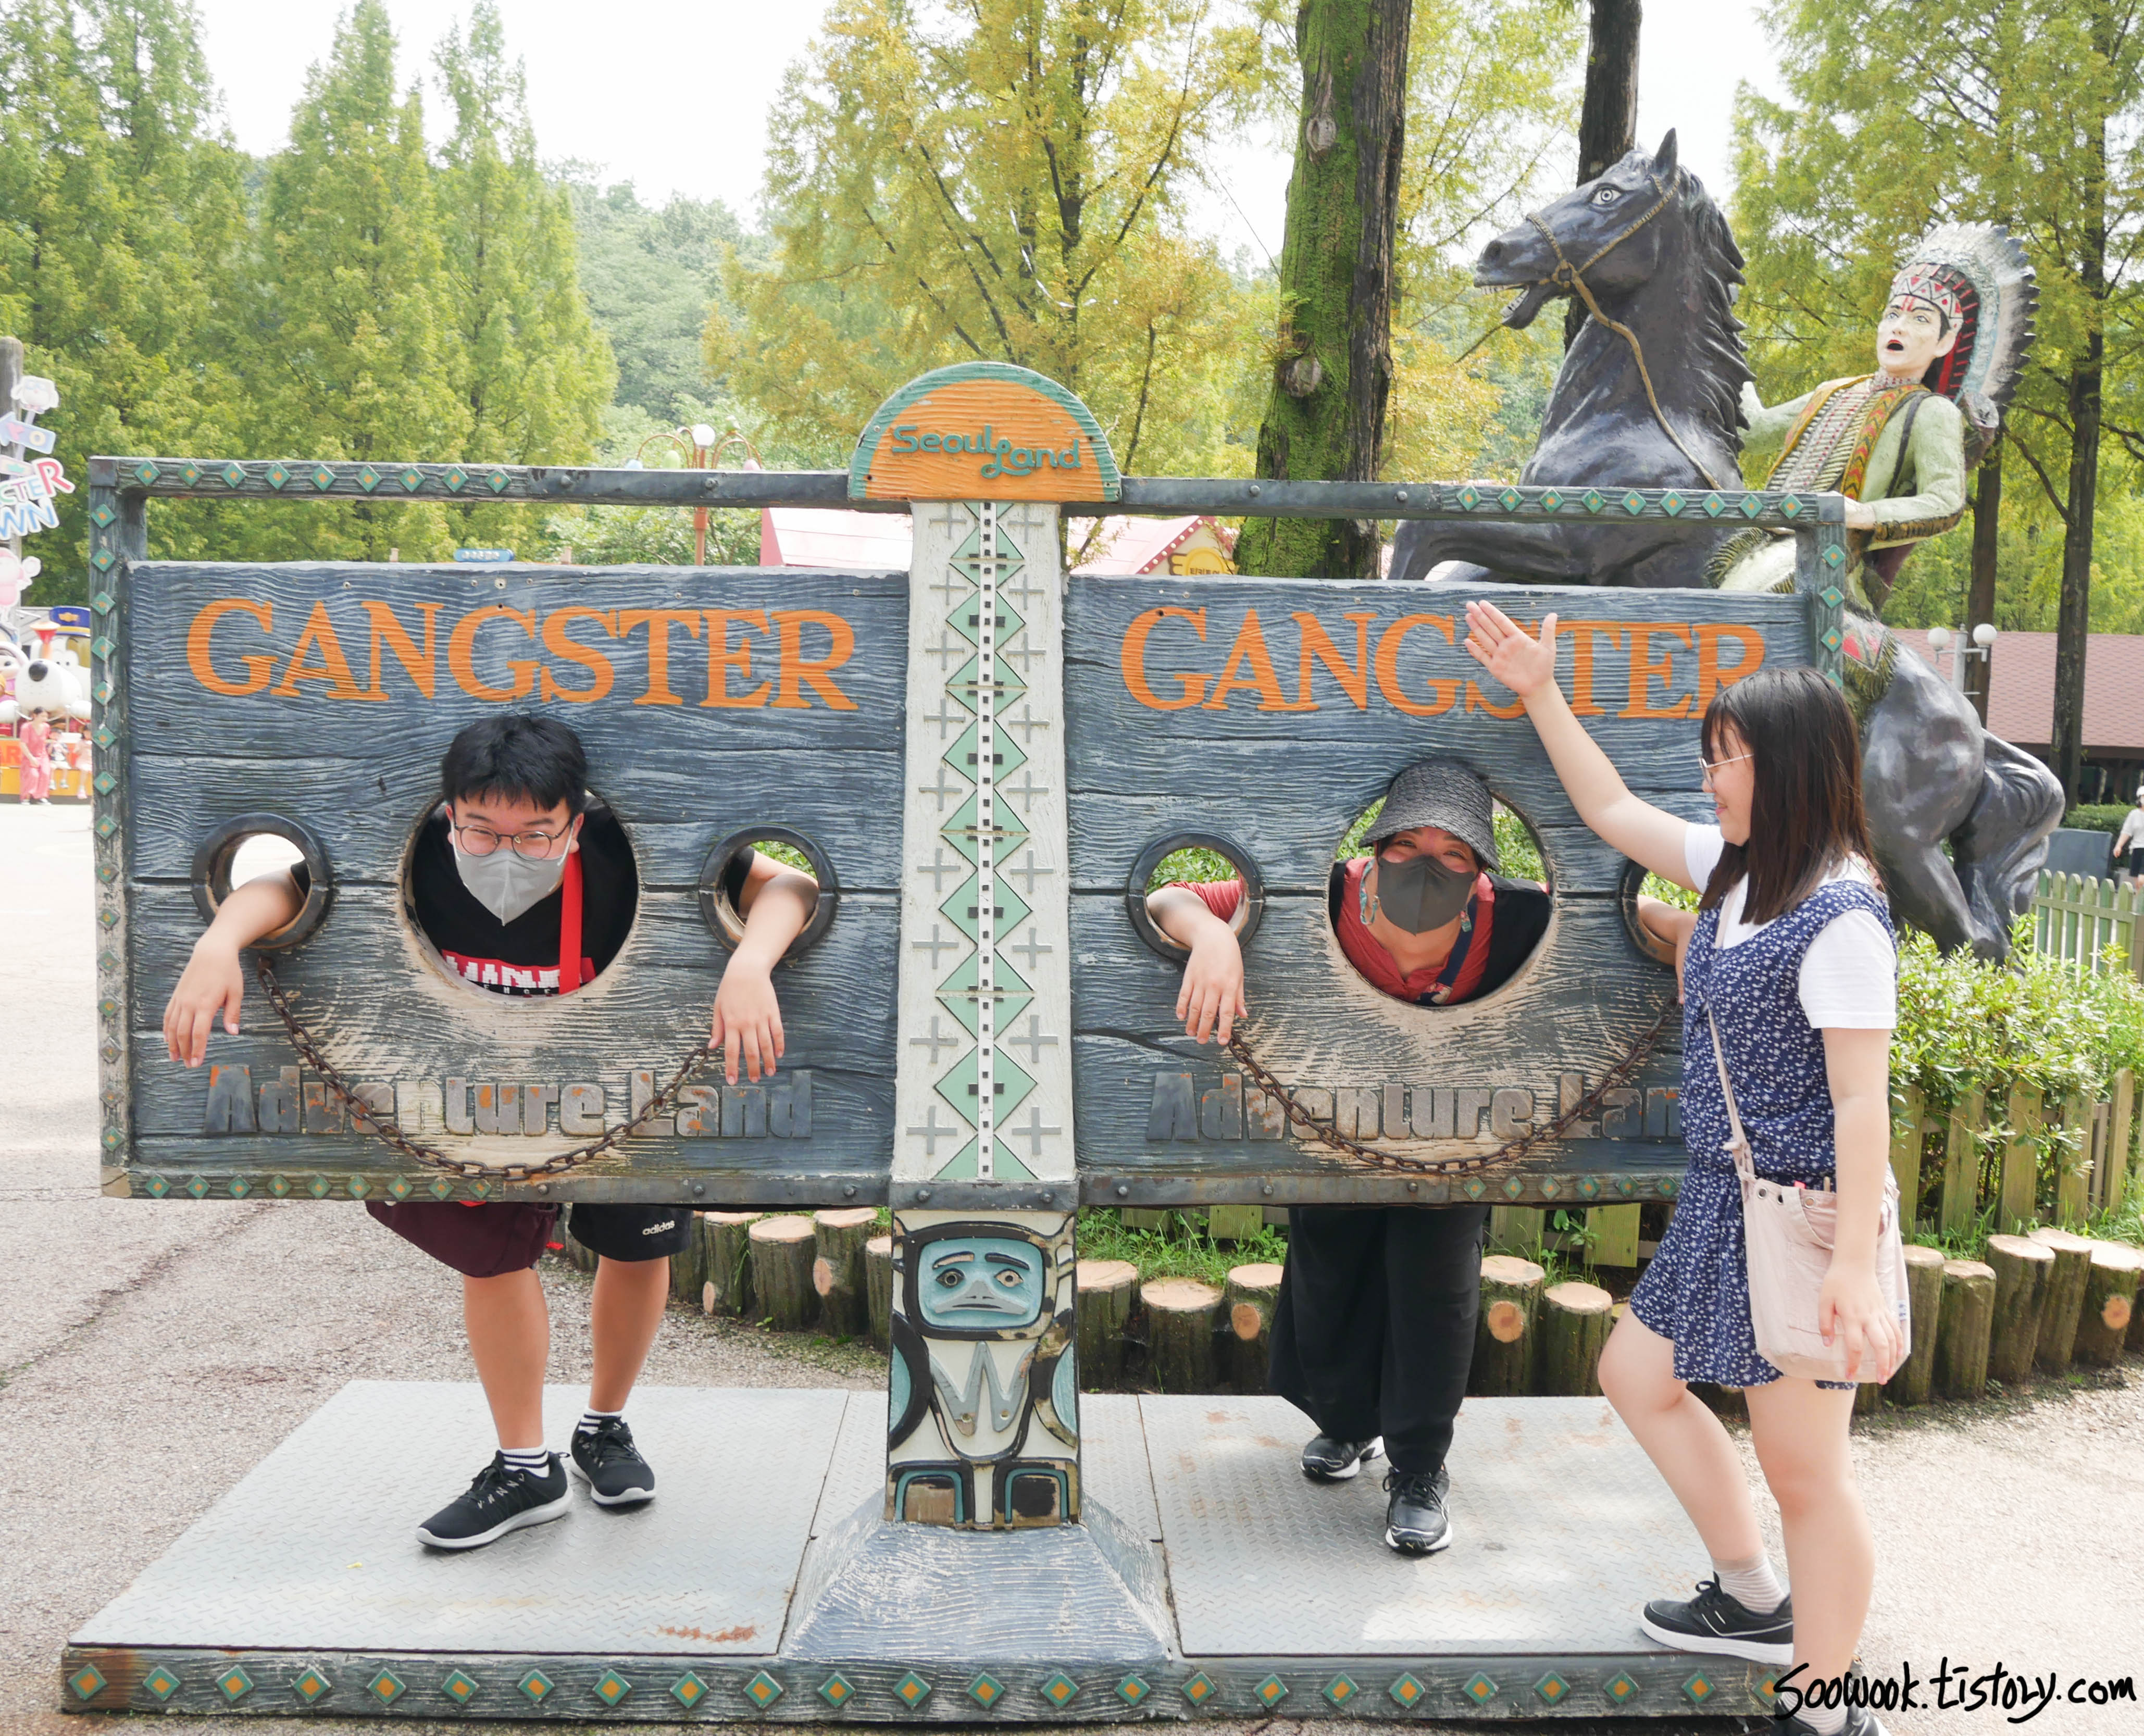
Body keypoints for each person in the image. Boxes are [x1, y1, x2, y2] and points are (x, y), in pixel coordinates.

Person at [162, 713, 820, 1551]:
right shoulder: (420, 852)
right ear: (447, 814)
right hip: (468, 1083)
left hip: (623, 1070)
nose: (506, 852)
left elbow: (792, 884)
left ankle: (604, 1427)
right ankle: (525, 1466)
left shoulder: (620, 851)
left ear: (576, 821)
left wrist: (751, 959)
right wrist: (220, 937)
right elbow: (289, 884)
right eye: (481, 830)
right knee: (492, 1255)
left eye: (537, 835)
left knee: (636, 1242)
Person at [1465, 601, 1904, 1736]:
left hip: (1804, 1213)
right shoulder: (1736, 870)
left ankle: (1826, 1704)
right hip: (1724, 1197)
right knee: (1637, 1375)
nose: (1709, 780)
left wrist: (1853, 1265)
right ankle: (1752, 1596)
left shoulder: (1842, 915)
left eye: (1726, 760)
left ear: (1788, 767)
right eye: (1709, 759)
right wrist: (1539, 689)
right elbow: (1611, 810)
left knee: (1807, 1474)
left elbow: (1862, 1103)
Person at [1144, 759, 1551, 1556]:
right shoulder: (1322, 893)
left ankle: (1419, 1467)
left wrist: (1682, 938)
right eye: (1407, 846)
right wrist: (1215, 934)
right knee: (1330, 1268)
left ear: (1480, 869)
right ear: (1376, 848)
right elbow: (1164, 898)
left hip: (1453, 1134)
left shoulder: (1516, 916)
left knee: (1435, 1283)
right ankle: (1350, 1422)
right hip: (1334, 1118)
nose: (1429, 865)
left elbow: (1638, 915)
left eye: (1455, 854)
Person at [17, 706, 52, 804]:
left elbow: (45, 741)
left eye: (46, 717)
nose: (45, 719)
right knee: (33, 774)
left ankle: (41, 797)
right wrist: (31, 758)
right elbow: (23, 744)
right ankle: (26, 797)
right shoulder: (26, 727)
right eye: (42, 716)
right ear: (35, 716)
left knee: (45, 773)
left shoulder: (46, 727)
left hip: (43, 755)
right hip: (29, 755)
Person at [2116, 790, 2144, 887]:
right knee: (2138, 883)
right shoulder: (2134, 814)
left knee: (2142, 880)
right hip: (2136, 849)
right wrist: (2119, 846)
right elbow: (2127, 832)